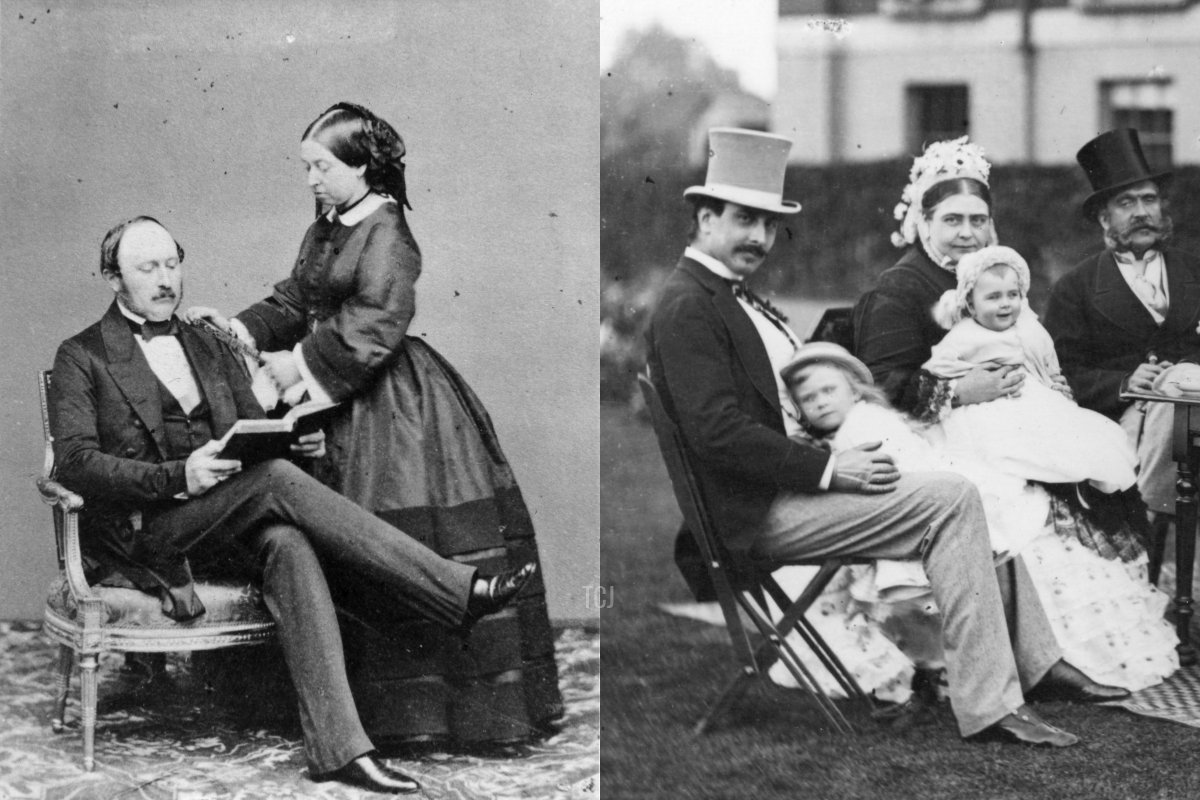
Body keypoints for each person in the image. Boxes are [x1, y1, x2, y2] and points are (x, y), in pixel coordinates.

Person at [645, 127, 1129, 749]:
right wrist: (829, 471)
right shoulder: (690, 305)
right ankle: (993, 702)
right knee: (952, 498)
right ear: (704, 217)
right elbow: (717, 434)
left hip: (775, 488)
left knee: (967, 486)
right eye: (744, 220)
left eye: (768, 225)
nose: (759, 238)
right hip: (751, 514)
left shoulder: (721, 297)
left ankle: (1026, 671)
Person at [50, 216, 538, 795]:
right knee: (277, 483)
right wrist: (179, 474)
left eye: (172, 264)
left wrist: (293, 437)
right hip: (145, 532)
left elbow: (247, 427)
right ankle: (453, 591)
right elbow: (75, 463)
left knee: (289, 541)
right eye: (146, 269)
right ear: (113, 278)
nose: (165, 281)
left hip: (220, 518)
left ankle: (340, 751)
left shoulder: (206, 341)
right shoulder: (83, 354)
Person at [187, 102, 561, 746]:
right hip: (326, 399)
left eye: (321, 166)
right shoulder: (329, 225)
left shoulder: (388, 231)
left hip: (390, 403)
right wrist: (242, 328)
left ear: (361, 167)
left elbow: (376, 325)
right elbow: (295, 298)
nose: (310, 179)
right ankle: (328, 706)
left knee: (382, 522)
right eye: (306, 166)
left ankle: (419, 717)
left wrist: (293, 367)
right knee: (318, 531)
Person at [779, 343, 1178, 692]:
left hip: (919, 489)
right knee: (991, 534)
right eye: (810, 399)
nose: (821, 402)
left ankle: (1023, 663)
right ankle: (994, 668)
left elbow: (904, 460)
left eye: (829, 390)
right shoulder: (846, 434)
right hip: (905, 502)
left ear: (853, 389)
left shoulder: (866, 421)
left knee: (1003, 523)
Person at [1044, 128, 1200, 523]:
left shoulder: (1194, 269)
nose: (1141, 212)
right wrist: (1126, 383)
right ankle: (1147, 514)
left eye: (1149, 200)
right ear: (1104, 216)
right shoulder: (1075, 288)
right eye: (1126, 202)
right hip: (1119, 424)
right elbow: (1062, 375)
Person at [924, 245, 1138, 495]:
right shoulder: (965, 335)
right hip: (989, 405)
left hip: (1036, 396)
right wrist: (963, 383)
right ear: (971, 306)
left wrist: (1055, 384)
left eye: (1012, 295)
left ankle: (1077, 484)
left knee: (1074, 437)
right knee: (1005, 450)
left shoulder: (1031, 329)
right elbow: (938, 368)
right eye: (993, 297)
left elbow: (1049, 363)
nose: (1005, 304)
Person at [854, 136, 1024, 418]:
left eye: (978, 220)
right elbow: (880, 382)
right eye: (952, 220)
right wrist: (957, 391)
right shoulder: (899, 286)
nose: (968, 233)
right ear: (925, 223)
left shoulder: (996, 274)